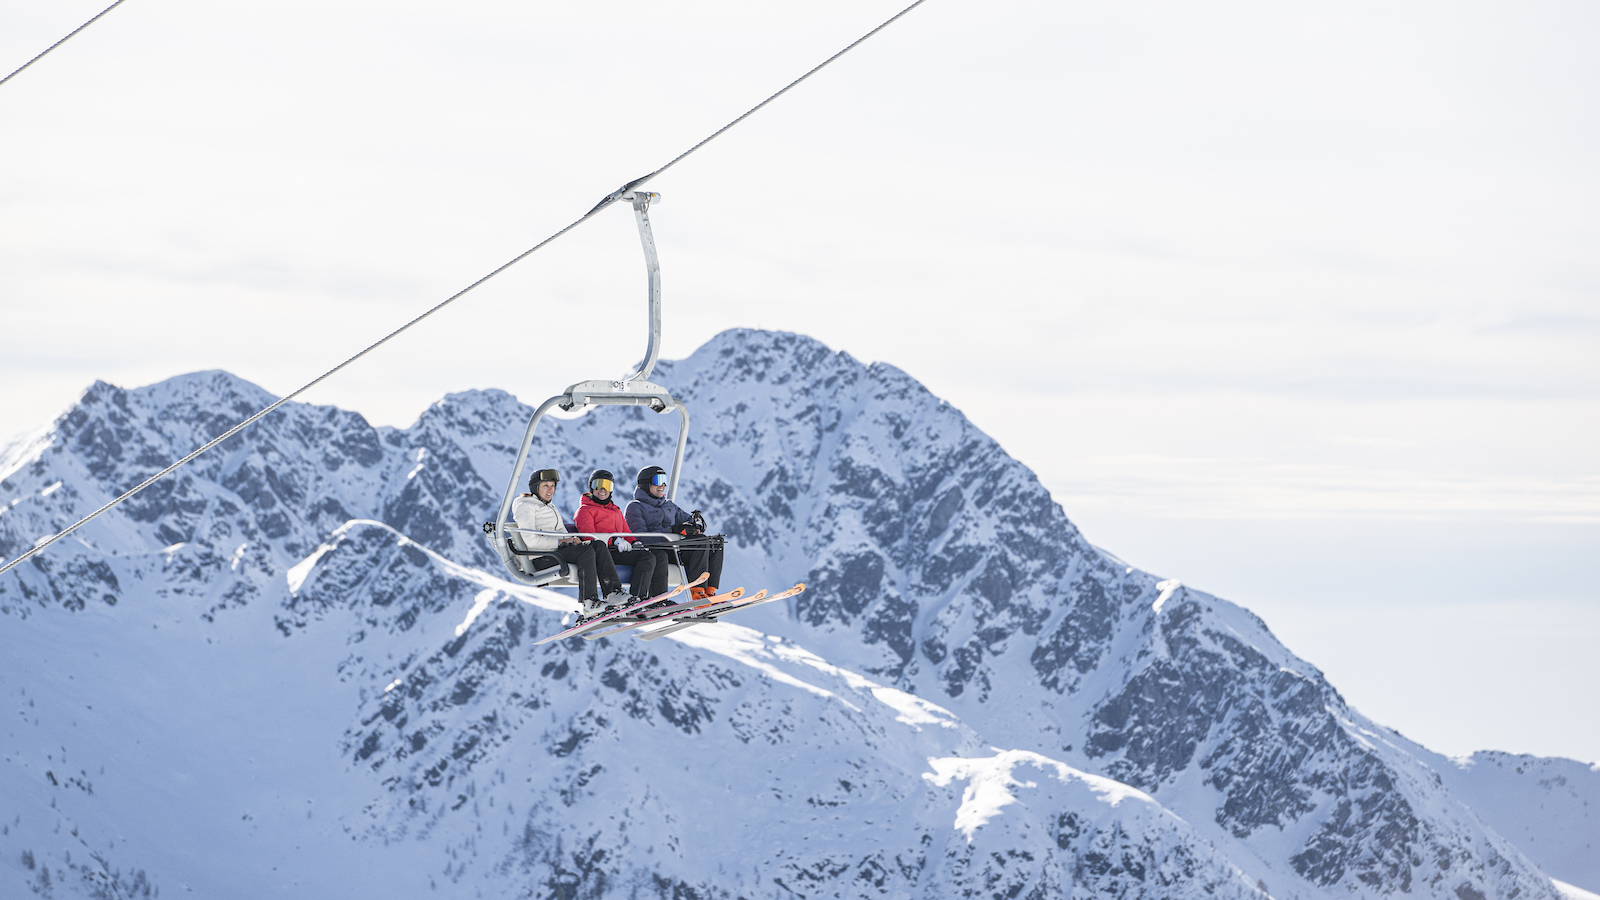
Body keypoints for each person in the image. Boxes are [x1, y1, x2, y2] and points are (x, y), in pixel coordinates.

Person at [512, 468, 627, 616]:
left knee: (597, 545)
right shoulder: (526, 506)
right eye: (545, 485)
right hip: (541, 557)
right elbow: (531, 541)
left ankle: (613, 592)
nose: (550, 490)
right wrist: (561, 542)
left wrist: (573, 540)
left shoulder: (549, 506)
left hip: (556, 552)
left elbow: (561, 532)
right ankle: (589, 602)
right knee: (586, 551)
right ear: (536, 487)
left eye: (552, 486)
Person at [573, 468, 672, 605]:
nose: (602, 490)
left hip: (619, 550)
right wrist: (614, 540)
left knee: (658, 555)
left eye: (607, 486)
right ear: (591, 487)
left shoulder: (615, 510)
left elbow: (626, 531)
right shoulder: (585, 510)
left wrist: (634, 542)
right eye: (598, 485)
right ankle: (637, 599)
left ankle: (659, 599)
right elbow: (589, 537)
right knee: (647, 557)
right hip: (604, 554)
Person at [625, 465, 723, 601]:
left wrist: (694, 524)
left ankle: (709, 591)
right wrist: (671, 530)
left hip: (676, 550)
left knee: (714, 545)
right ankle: (696, 594)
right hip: (657, 549)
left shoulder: (669, 505)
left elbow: (688, 519)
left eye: (664, 481)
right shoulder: (635, 507)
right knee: (698, 543)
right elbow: (639, 537)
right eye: (658, 481)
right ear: (646, 484)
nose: (663, 485)